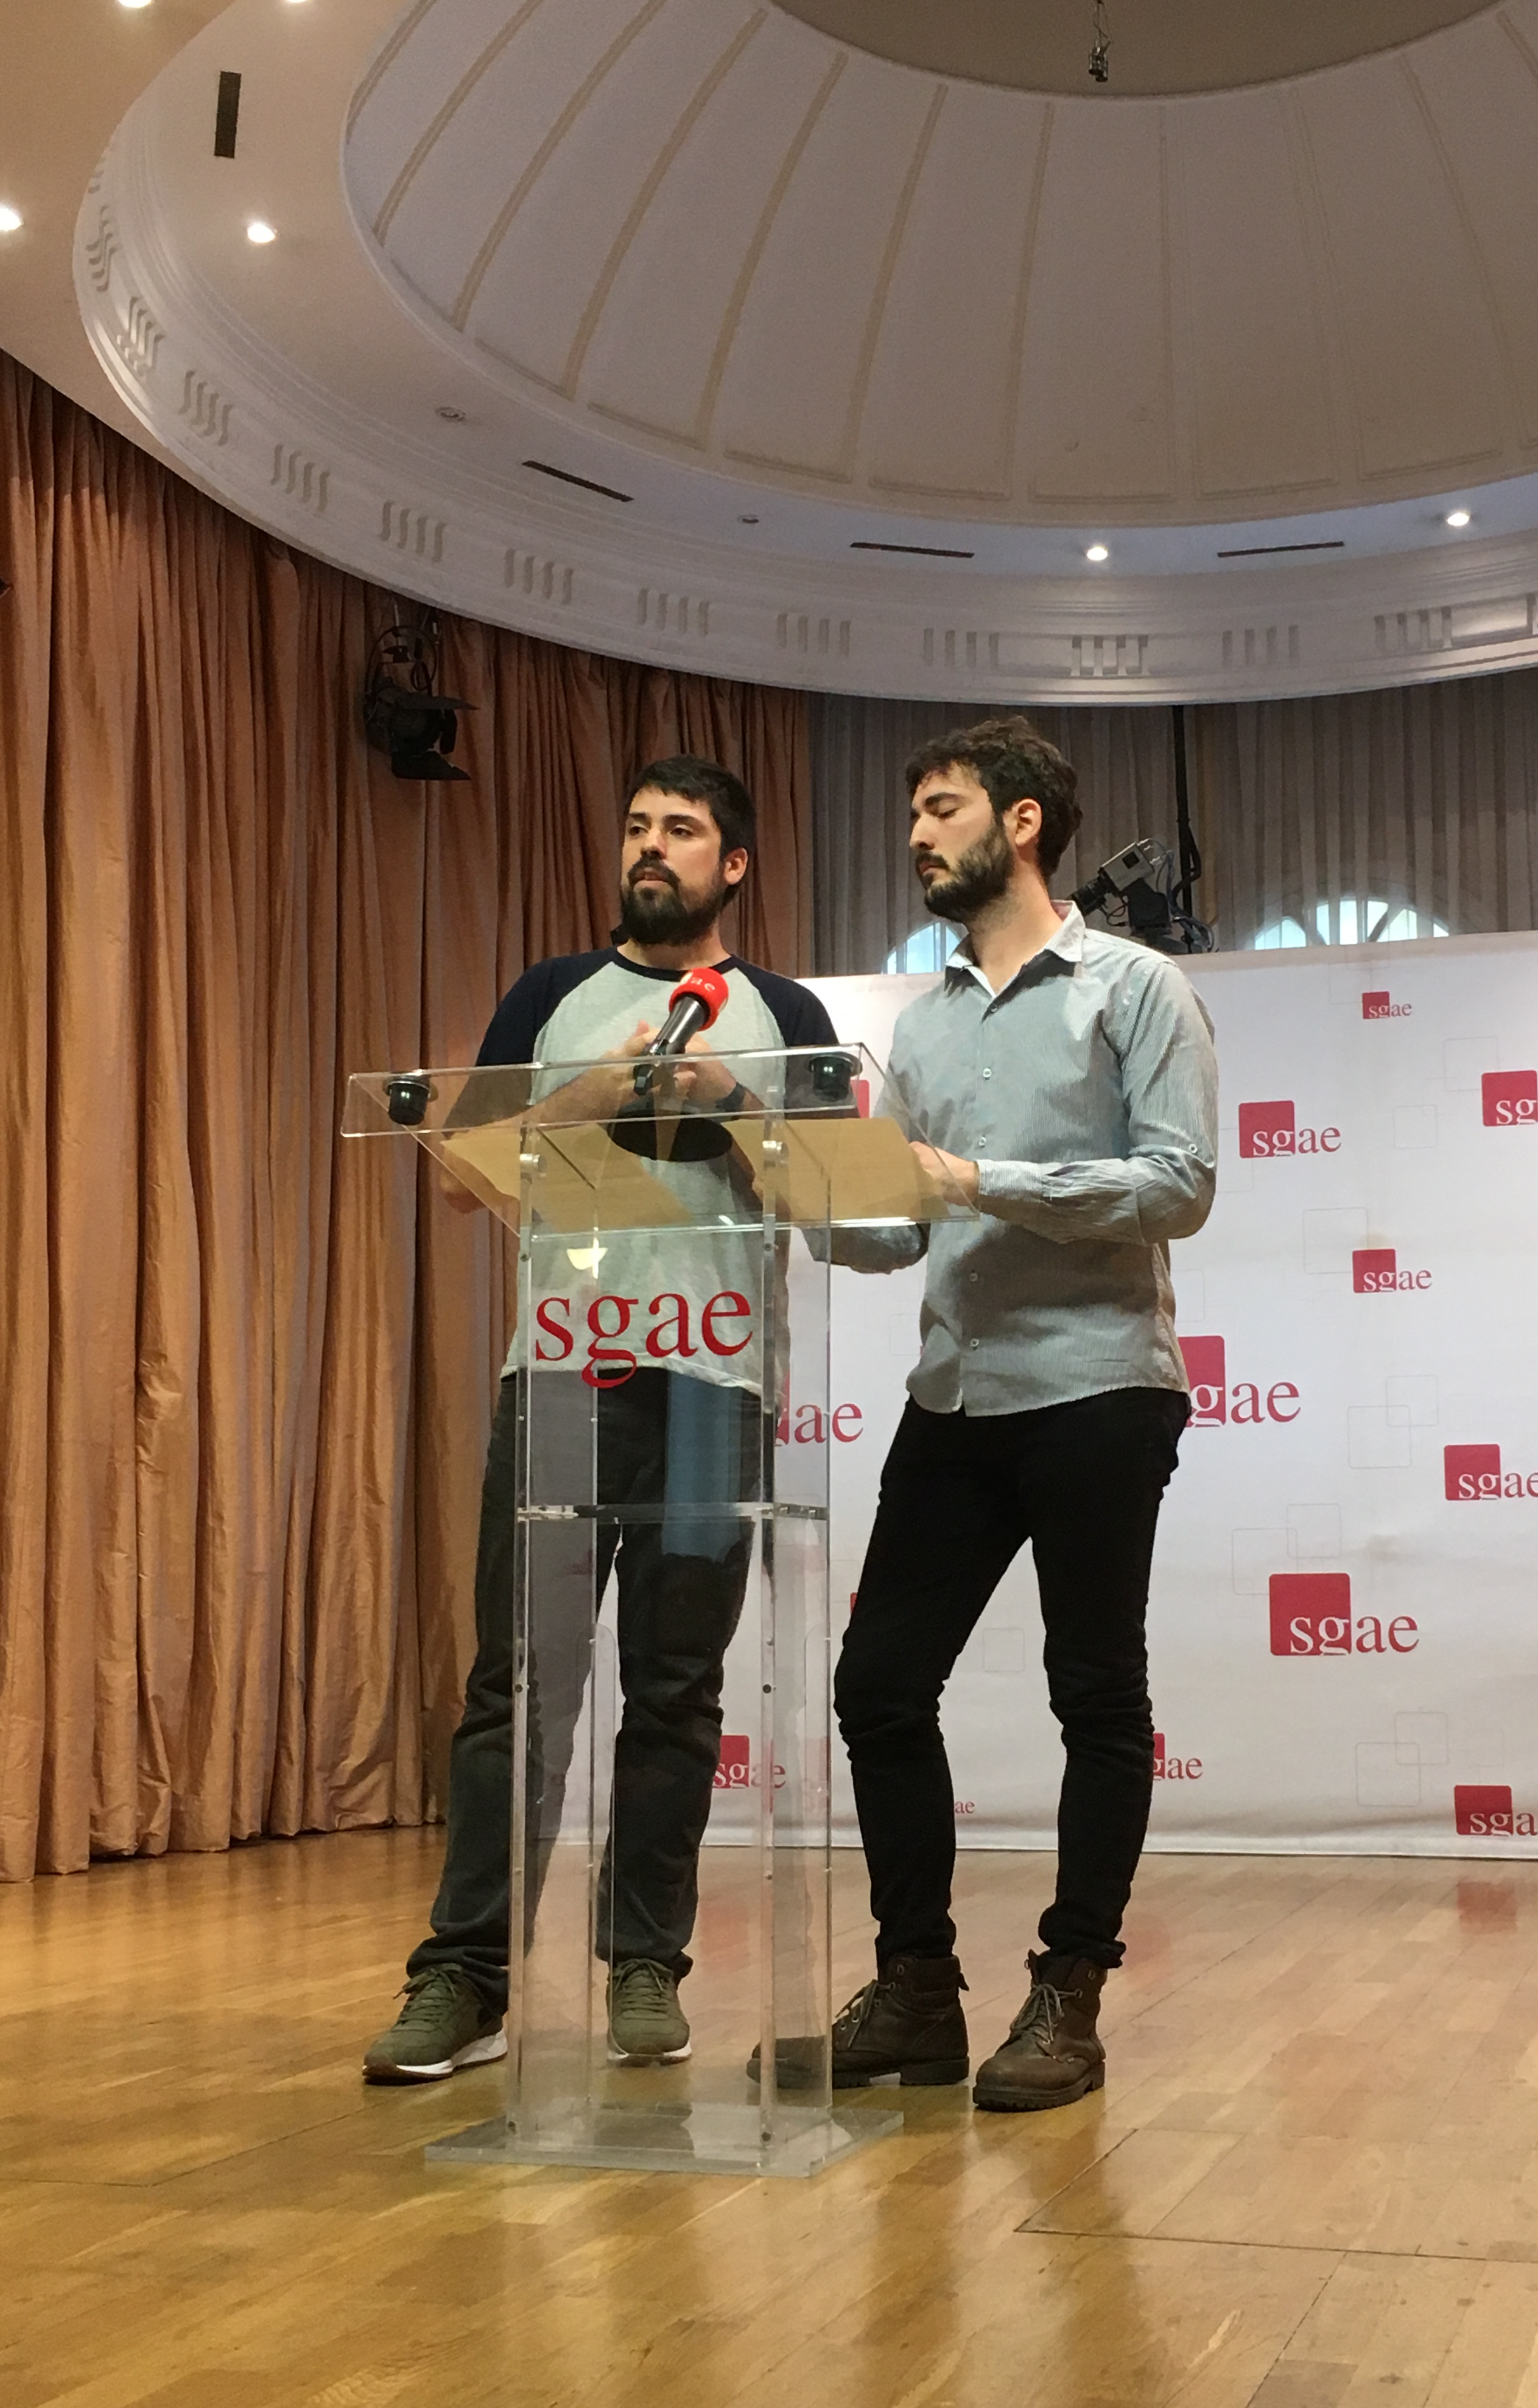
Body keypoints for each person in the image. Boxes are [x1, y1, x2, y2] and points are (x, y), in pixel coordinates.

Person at [363, 757, 838, 2082]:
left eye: (681, 831)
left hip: (715, 1389)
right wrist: (587, 1096)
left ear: (732, 865)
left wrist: (732, 1105)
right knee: (516, 1685)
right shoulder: (549, 995)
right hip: (566, 1376)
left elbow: (834, 1205)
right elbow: (460, 1180)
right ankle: (465, 1976)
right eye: (637, 827)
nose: (650, 848)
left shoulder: (787, 1014)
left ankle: (644, 1964)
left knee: (677, 1690)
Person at [829, 715, 1218, 2113]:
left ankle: (1071, 1992)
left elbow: (1179, 1185)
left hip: (1100, 1387)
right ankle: (917, 1990)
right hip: (958, 1390)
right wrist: (810, 1193)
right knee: (877, 1687)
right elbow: (898, 1231)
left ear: (1023, 822)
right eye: (914, 814)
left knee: (1095, 1695)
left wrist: (980, 1179)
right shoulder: (921, 1024)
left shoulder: (1137, 988)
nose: (918, 836)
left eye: (941, 809)